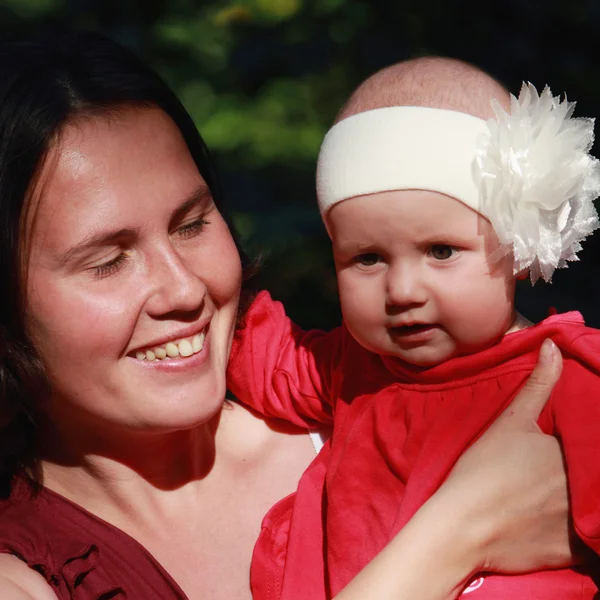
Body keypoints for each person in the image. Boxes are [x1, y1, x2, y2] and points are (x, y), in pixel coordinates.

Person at [0, 31, 577, 600]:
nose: (183, 289)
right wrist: (456, 534)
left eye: (193, 224)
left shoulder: (355, 396)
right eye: (107, 262)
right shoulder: (22, 574)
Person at [227, 57, 600, 598]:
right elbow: (261, 355)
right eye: (368, 259)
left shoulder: (568, 376)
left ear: (517, 243)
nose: (403, 290)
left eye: (441, 251)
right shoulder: (355, 368)